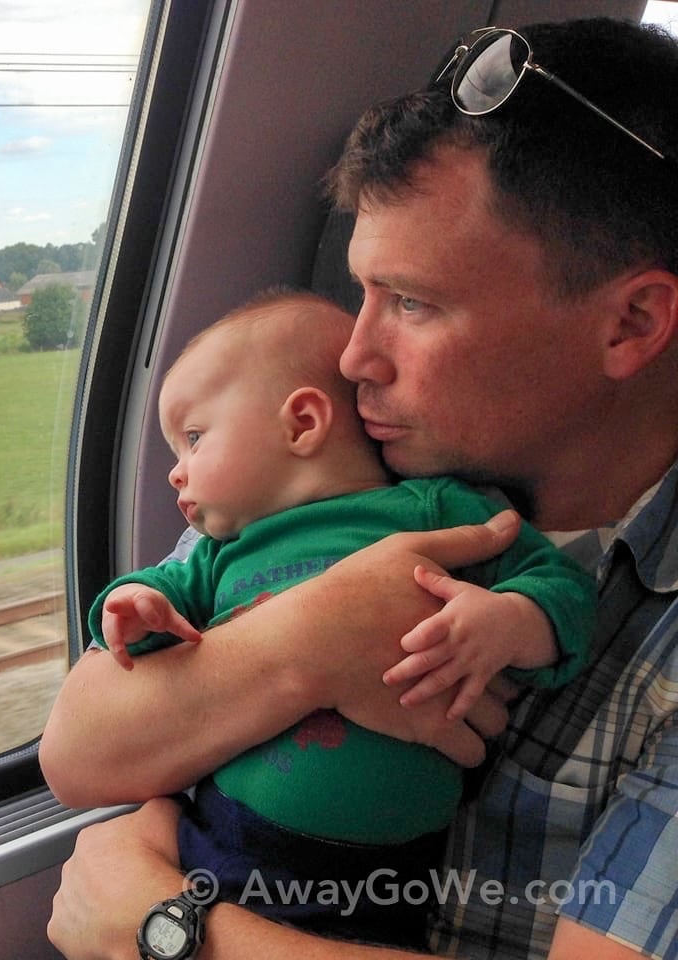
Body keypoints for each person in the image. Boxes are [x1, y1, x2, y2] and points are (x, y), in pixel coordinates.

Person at [41, 15, 678, 960]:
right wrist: (313, 637)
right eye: (362, 294)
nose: (353, 355)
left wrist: (168, 932)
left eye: (413, 304)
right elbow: (82, 754)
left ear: (629, 322)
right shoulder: (352, 477)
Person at [81, 289, 593, 948]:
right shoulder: (213, 554)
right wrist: (131, 608)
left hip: (393, 877)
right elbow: (144, 607)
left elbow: (566, 589)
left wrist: (510, 620)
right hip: (227, 840)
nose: (176, 475)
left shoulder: (436, 511)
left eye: (194, 438)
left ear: (300, 423)